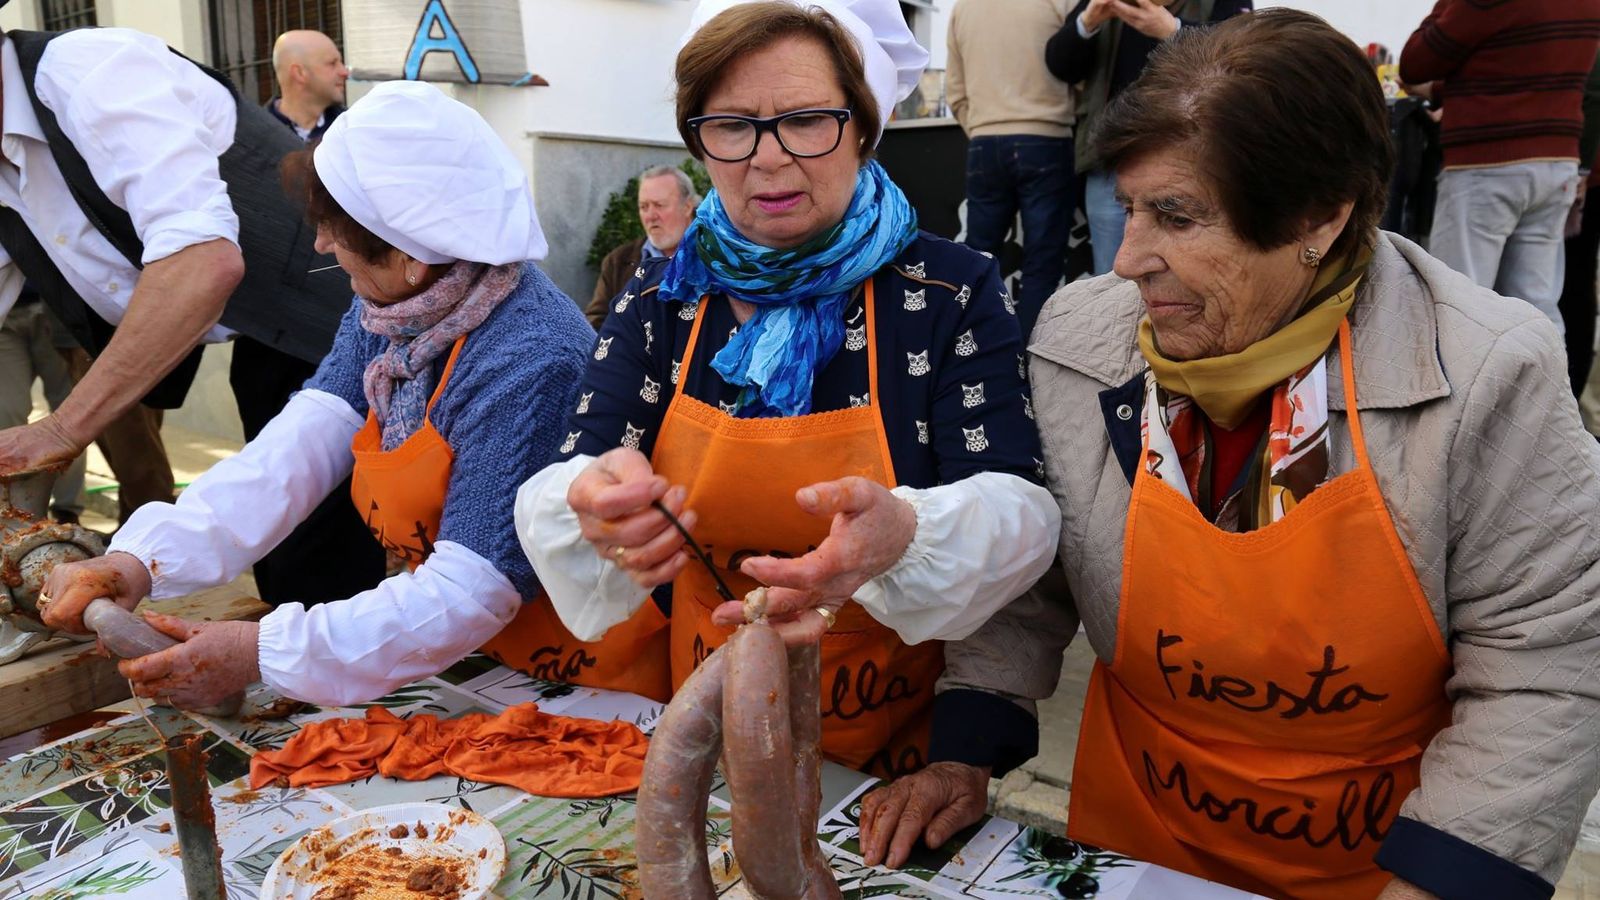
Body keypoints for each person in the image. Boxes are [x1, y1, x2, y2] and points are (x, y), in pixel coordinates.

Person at [866, 11, 1600, 899]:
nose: (1130, 258)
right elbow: (1035, 579)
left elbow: (1544, 667)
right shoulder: (1084, 338)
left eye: (1177, 216)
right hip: (1135, 838)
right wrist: (965, 751)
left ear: (1319, 218)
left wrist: (1448, 878)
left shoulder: (1487, 371)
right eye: (1129, 207)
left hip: (1379, 863)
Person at [517, 0, 1061, 777]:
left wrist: (907, 533)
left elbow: (1022, 508)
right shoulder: (665, 287)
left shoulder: (949, 290)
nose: (767, 159)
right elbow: (586, 452)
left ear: (865, 127)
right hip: (698, 721)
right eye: (731, 125)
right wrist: (594, 499)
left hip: (884, 753)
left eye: (807, 119)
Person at [36, 82, 604, 710]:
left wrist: (261, 652)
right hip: (461, 650)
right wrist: (141, 561)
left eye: (335, 228)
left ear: (408, 251)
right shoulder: (395, 310)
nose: (320, 245)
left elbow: (472, 589)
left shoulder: (529, 355)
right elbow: (299, 443)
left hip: (570, 663)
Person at [0, 15, 383, 602]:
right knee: (283, 547)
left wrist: (61, 427)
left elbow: (201, 264)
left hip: (340, 310)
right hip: (253, 332)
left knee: (322, 551)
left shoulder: (92, 71)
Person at [1400, 0, 1600, 334]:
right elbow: (1517, 66)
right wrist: (1445, 91)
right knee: (1537, 309)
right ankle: (1550, 386)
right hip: (1557, 161)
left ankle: (1465, 388)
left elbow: (1415, 61)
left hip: (1486, 164)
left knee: (1459, 306)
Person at [1045, 0, 1251, 276]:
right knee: (1111, 275)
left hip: (1193, 161)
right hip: (1110, 158)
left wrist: (1173, 30)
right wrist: (1089, 20)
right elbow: (1059, 64)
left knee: (1187, 269)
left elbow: (1243, 56)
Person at [947, 0, 1076, 342]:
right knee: (1042, 265)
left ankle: (973, 352)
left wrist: (980, 131)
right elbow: (1080, 67)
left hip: (985, 143)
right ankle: (1027, 360)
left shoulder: (964, 8)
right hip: (1047, 138)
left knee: (976, 260)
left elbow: (955, 92)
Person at [0, 291, 84, 522]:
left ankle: (67, 512)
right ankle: (14, 512)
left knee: (71, 415)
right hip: (4, 316)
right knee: (6, 413)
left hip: (55, 311)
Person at [585, 165, 699, 329]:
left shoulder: (714, 256)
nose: (651, 216)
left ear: (687, 207)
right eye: (644, 207)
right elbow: (596, 323)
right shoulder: (618, 261)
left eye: (659, 205)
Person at [1559, 55, 1600, 403]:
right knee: (1576, 287)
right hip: (1579, 169)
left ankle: (1571, 399)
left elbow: (1592, 92)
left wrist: (1583, 168)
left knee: (1573, 287)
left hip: (1583, 173)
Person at [267, 29, 348, 143]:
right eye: (332, 63)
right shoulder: (256, 135)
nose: (344, 72)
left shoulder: (352, 129)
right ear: (299, 73)